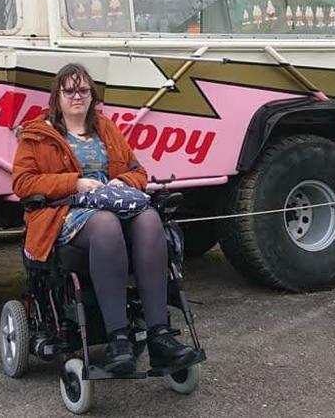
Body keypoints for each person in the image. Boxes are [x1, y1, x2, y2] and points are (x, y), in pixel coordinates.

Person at [12, 63, 198, 374]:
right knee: (106, 224)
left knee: (150, 219)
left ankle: (159, 336)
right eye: (69, 90)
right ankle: (118, 340)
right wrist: (74, 182)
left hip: (113, 204)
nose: (76, 96)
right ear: (56, 96)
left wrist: (123, 182)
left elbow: (138, 171)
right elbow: (23, 184)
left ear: (92, 96)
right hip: (64, 213)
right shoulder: (37, 135)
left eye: (83, 90)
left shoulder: (106, 128)